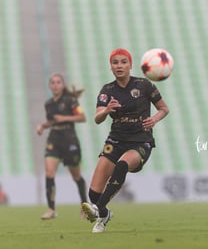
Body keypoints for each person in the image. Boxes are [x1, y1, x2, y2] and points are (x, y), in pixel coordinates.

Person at [81, 48, 169, 233]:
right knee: (93, 193)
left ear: (130, 65)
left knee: (122, 165)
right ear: (111, 67)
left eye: (123, 62)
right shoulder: (107, 90)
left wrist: (155, 119)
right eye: (115, 63)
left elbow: (164, 109)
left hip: (140, 141)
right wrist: (106, 110)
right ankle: (104, 214)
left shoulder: (144, 85)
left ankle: (97, 209)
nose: (119, 66)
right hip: (115, 141)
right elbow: (97, 118)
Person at [36, 73, 88, 220]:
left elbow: (82, 117)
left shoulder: (71, 100)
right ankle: (51, 209)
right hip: (54, 140)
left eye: (58, 82)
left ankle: (85, 204)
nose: (55, 85)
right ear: (49, 86)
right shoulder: (49, 104)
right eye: (52, 82)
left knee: (76, 176)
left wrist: (64, 118)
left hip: (69, 140)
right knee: (49, 173)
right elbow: (52, 122)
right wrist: (42, 126)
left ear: (63, 84)